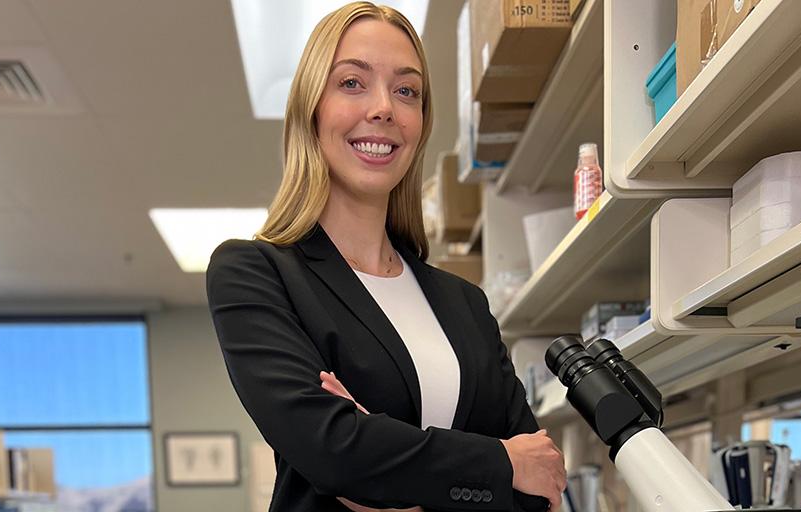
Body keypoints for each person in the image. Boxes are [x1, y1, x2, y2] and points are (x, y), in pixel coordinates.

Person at [206, 2, 566, 510]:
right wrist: (499, 464)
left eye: (406, 91)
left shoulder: (464, 304)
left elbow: (542, 488)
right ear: (312, 109)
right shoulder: (256, 275)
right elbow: (333, 452)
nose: (384, 108)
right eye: (352, 83)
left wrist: (383, 477)